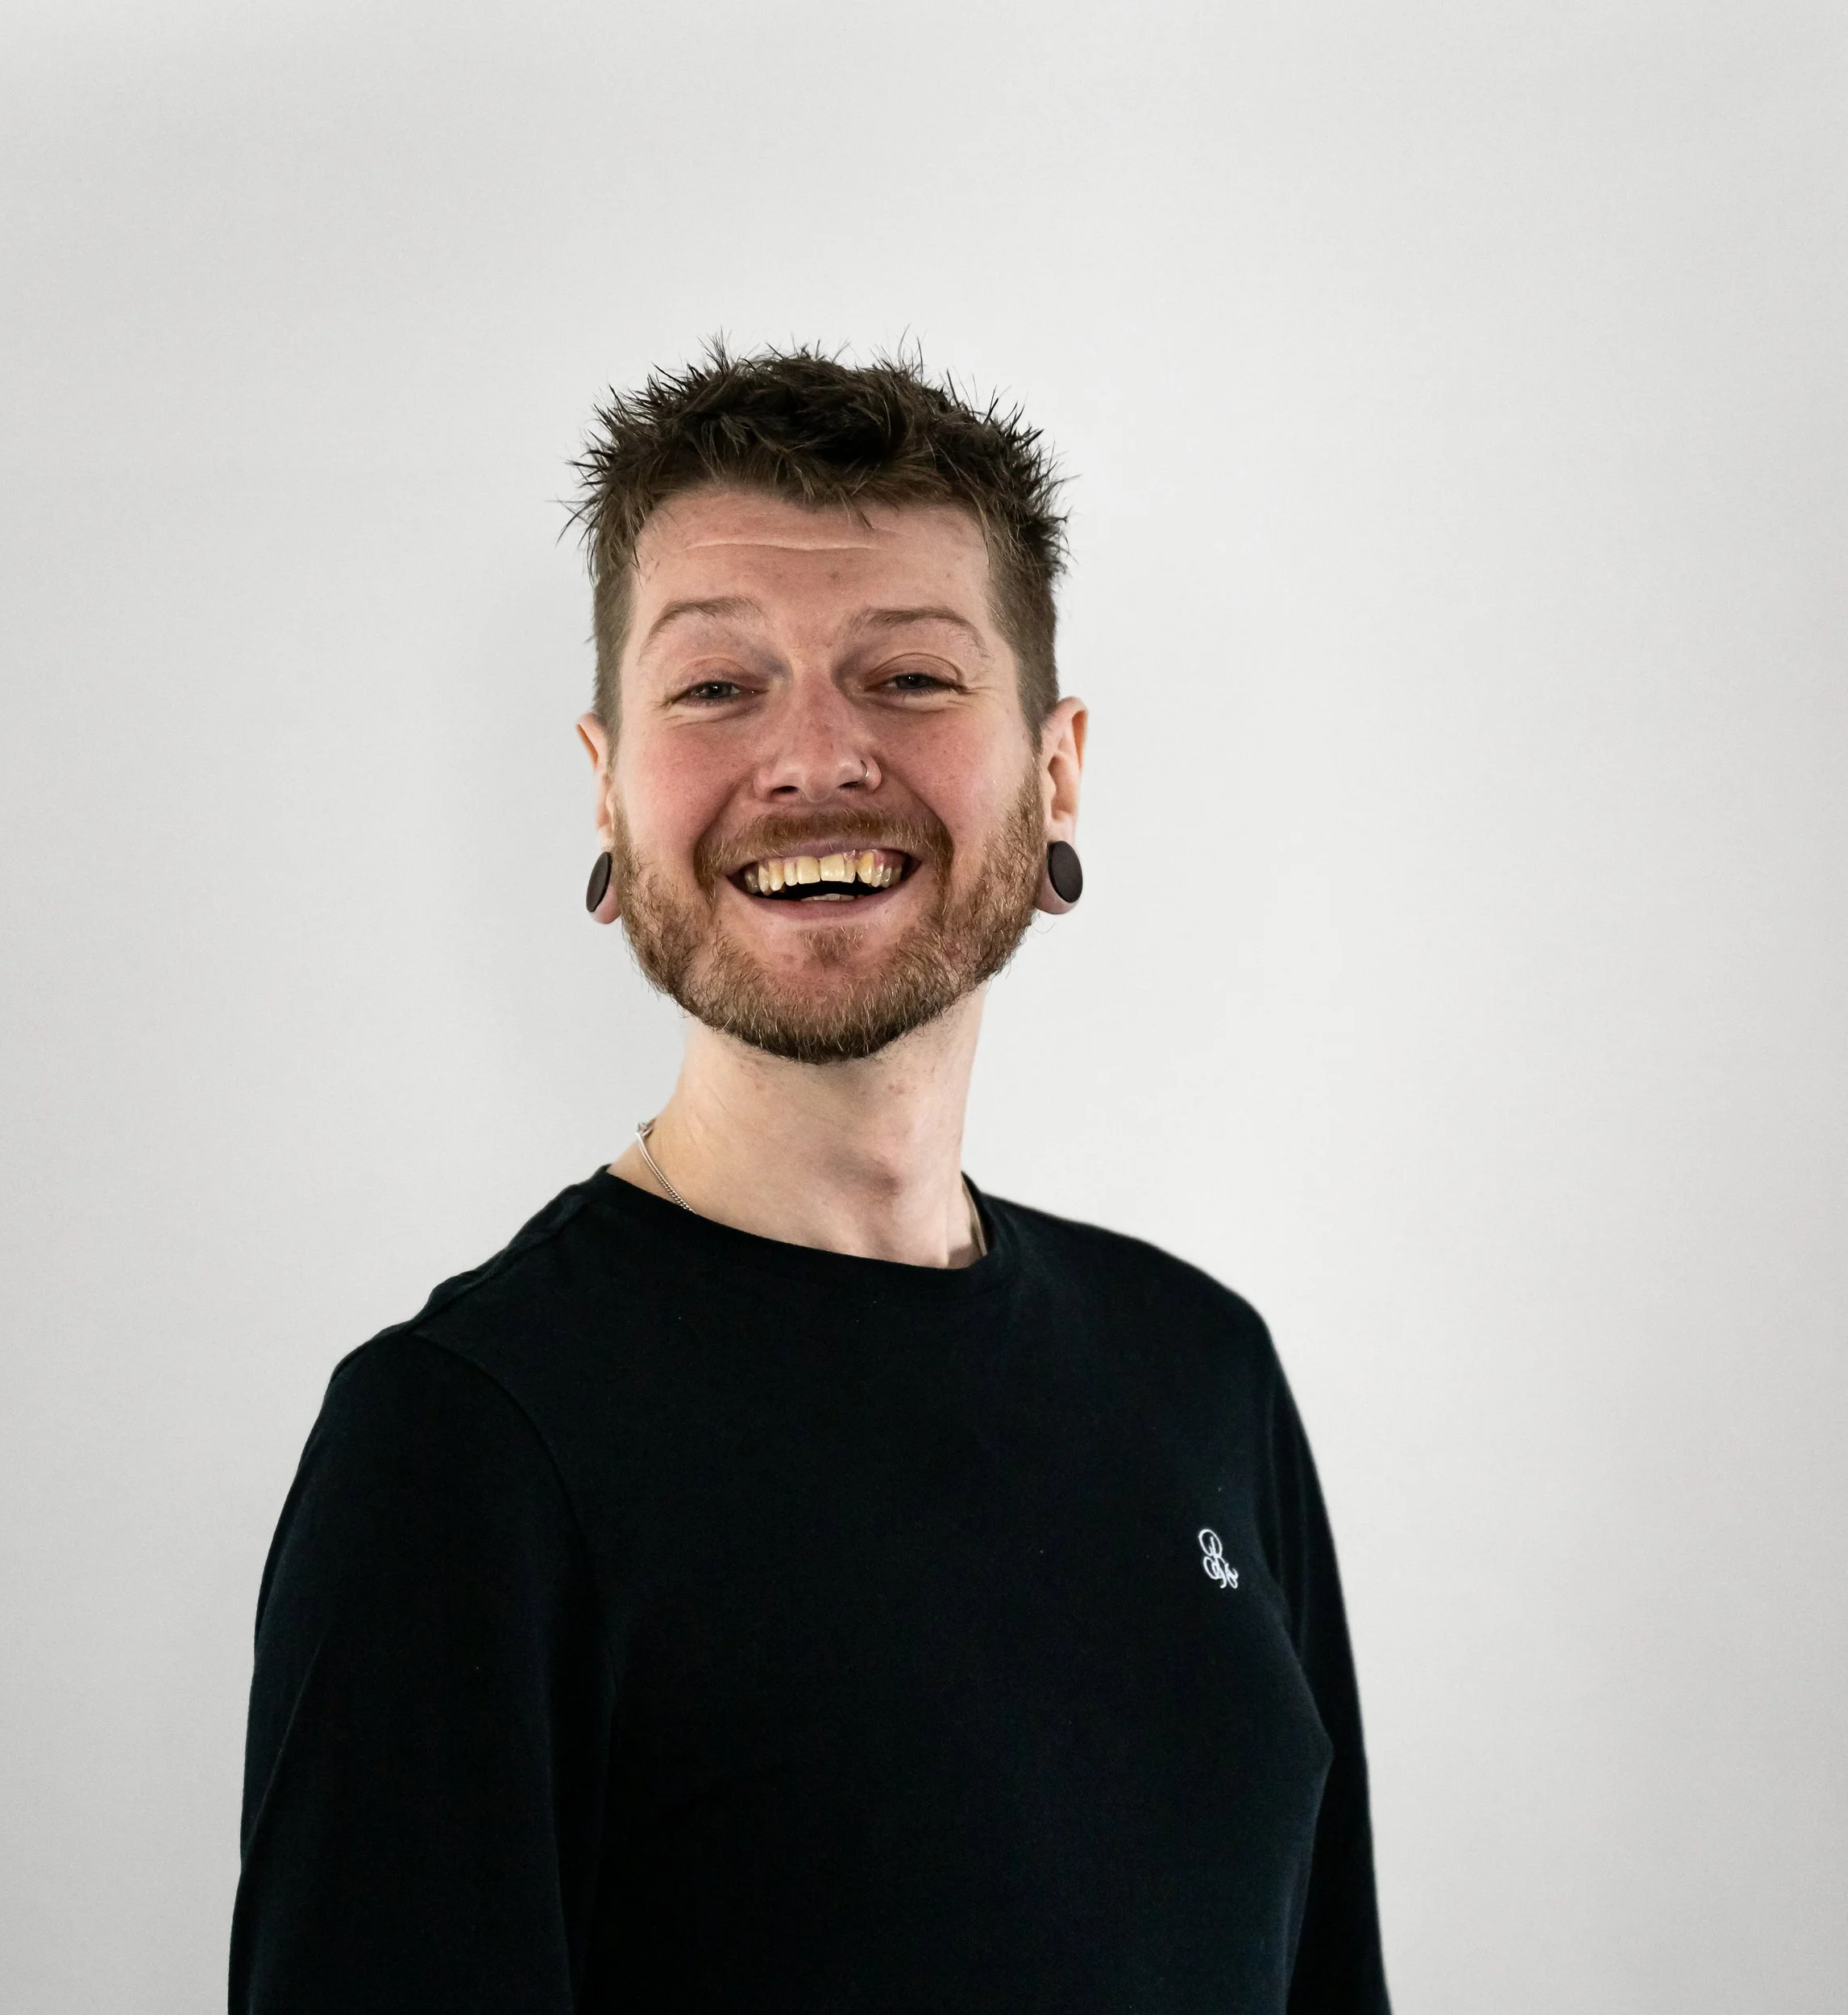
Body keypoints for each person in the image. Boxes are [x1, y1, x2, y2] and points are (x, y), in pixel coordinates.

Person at [230, 346, 1390, 2014]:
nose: (811, 755)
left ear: (1054, 765)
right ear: (608, 784)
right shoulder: (462, 1450)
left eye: (907, 676)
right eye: (715, 688)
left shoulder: (1197, 1365)